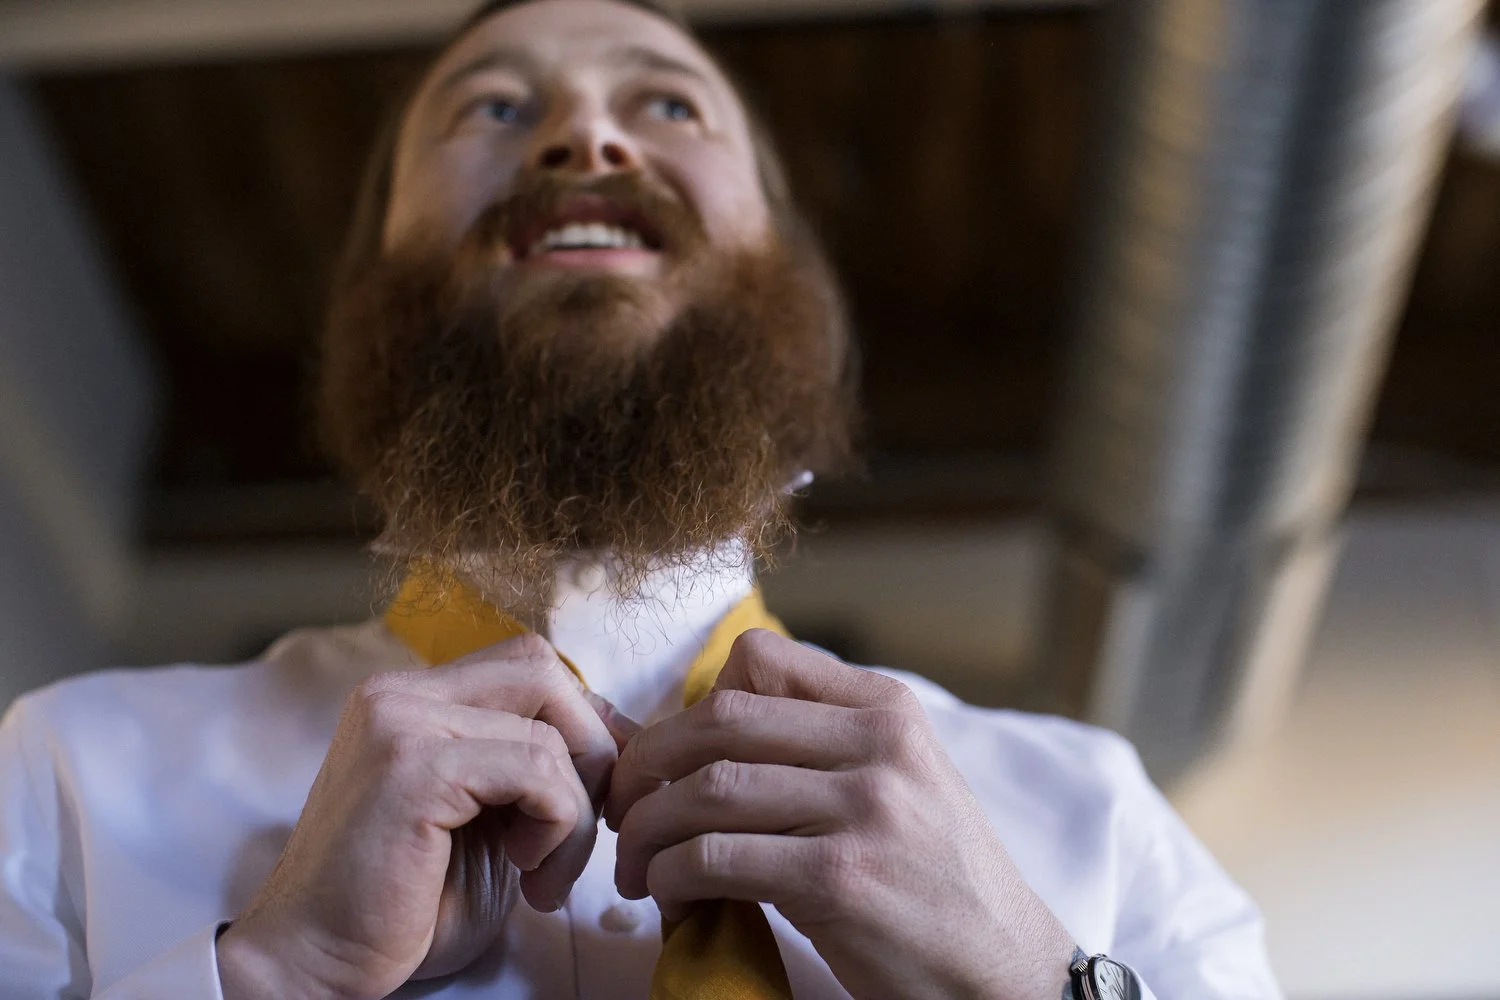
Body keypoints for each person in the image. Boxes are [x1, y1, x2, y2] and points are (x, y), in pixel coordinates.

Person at [0, 1, 1283, 997]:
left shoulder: (1093, 813)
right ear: (370, 288)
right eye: (491, 110)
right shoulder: (61, 781)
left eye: (668, 104)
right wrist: (269, 977)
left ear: (784, 274)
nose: (586, 136)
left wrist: (1030, 982)